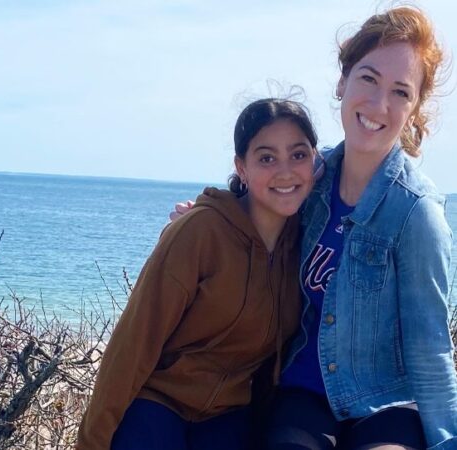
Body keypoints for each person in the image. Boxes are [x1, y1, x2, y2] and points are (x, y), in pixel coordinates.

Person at [170, 6, 457, 449]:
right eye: (368, 79)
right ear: (343, 82)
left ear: (415, 107)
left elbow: (431, 352)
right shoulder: (311, 180)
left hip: (385, 405)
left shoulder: (417, 213)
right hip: (303, 395)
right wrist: (203, 219)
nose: (379, 104)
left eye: (401, 91)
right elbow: (253, 205)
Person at [76, 97, 319, 450]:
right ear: (242, 168)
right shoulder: (200, 231)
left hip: (227, 415)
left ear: (315, 160)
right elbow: (132, 345)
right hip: (158, 402)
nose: (285, 171)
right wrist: (92, 442)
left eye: (298, 155)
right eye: (267, 158)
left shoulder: (306, 242)